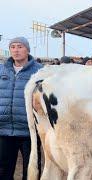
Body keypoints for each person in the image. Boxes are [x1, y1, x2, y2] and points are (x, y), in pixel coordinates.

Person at [0, 37, 43, 180]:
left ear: (27, 49)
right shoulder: (2, 70)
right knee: (3, 171)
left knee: (31, 172)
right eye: (13, 47)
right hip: (4, 130)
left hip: (29, 131)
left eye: (20, 46)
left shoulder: (40, 72)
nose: (16, 50)